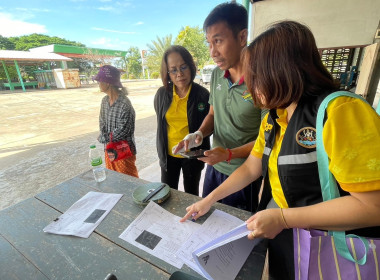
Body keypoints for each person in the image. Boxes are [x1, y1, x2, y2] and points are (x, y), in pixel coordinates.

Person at [180, 21, 380, 279]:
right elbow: (253, 166)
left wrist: (284, 219)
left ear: (282, 70)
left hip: (333, 249)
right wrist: (208, 199)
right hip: (291, 238)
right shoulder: (275, 116)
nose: (251, 89)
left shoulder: (340, 112)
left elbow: (372, 206)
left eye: (256, 76)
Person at [173, 2, 266, 212]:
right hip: (215, 168)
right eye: (209, 43)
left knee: (238, 234)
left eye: (218, 41)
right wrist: (198, 133)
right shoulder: (217, 74)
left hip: (245, 173)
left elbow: (267, 138)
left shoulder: (262, 81)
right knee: (207, 217)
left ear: (242, 37)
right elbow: (213, 114)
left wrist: (230, 154)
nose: (212, 52)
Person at [154, 45, 210, 195]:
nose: (179, 74)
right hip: (168, 156)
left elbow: (210, 125)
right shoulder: (162, 94)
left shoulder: (202, 95)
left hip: (192, 156)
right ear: (168, 73)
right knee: (166, 194)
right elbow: (161, 123)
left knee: (191, 195)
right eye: (173, 70)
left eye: (183, 67)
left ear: (191, 67)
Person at [94, 65, 139, 178]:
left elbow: (124, 130)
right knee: (113, 180)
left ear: (108, 82)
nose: (98, 83)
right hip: (109, 150)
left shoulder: (125, 103)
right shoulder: (104, 101)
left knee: (129, 182)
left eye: (99, 80)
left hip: (124, 152)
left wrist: (104, 138)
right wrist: (105, 136)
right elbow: (102, 122)